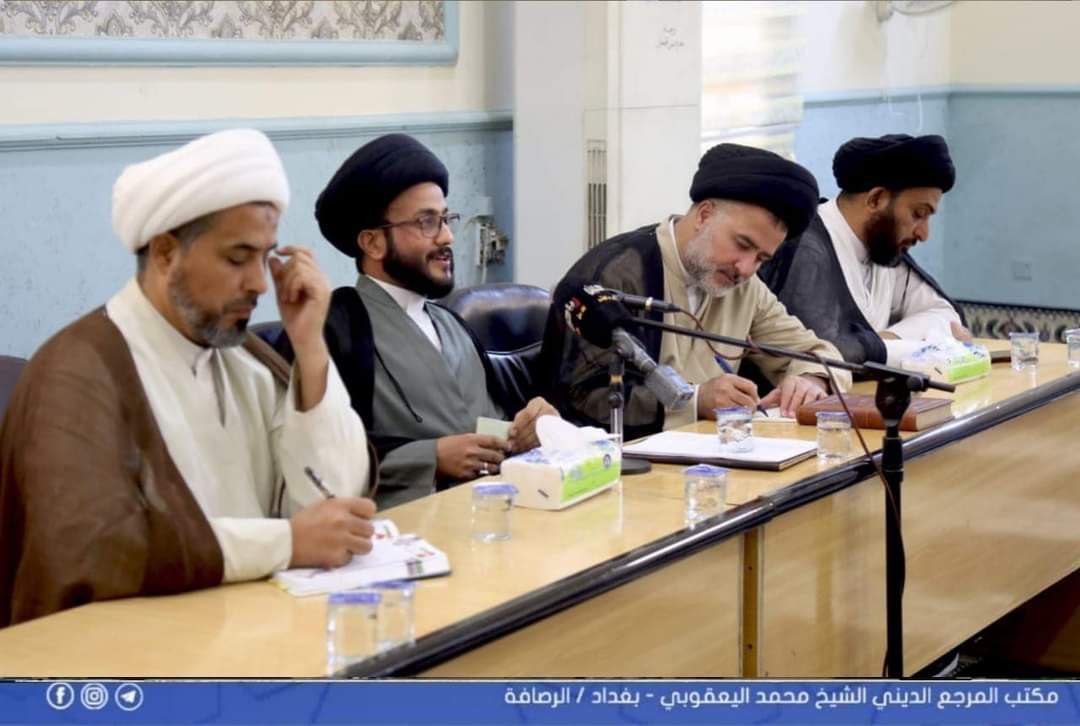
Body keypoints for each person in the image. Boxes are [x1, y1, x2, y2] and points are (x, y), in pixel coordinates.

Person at [0, 129, 375, 627]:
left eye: (265, 257)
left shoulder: (246, 362)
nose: (260, 284)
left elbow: (335, 507)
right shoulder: (77, 373)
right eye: (237, 258)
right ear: (164, 254)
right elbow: (92, 550)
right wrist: (284, 543)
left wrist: (310, 348)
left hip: (259, 632)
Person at [280, 133, 557, 508]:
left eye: (446, 219)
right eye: (427, 222)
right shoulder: (334, 328)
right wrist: (430, 458)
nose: (447, 237)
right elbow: (319, 455)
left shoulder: (453, 324)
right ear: (373, 243)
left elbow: (495, 426)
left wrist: (533, 426)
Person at [544, 143, 852, 440]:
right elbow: (582, 398)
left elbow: (820, 354)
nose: (746, 268)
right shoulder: (618, 273)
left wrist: (812, 379)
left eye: (762, 258)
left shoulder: (746, 288)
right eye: (742, 244)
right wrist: (695, 400)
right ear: (704, 215)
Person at [760, 134, 969, 366]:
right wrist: (906, 348)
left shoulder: (883, 246)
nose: (923, 234)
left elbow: (946, 315)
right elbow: (824, 354)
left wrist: (884, 341)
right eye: (918, 214)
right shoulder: (807, 248)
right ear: (876, 199)